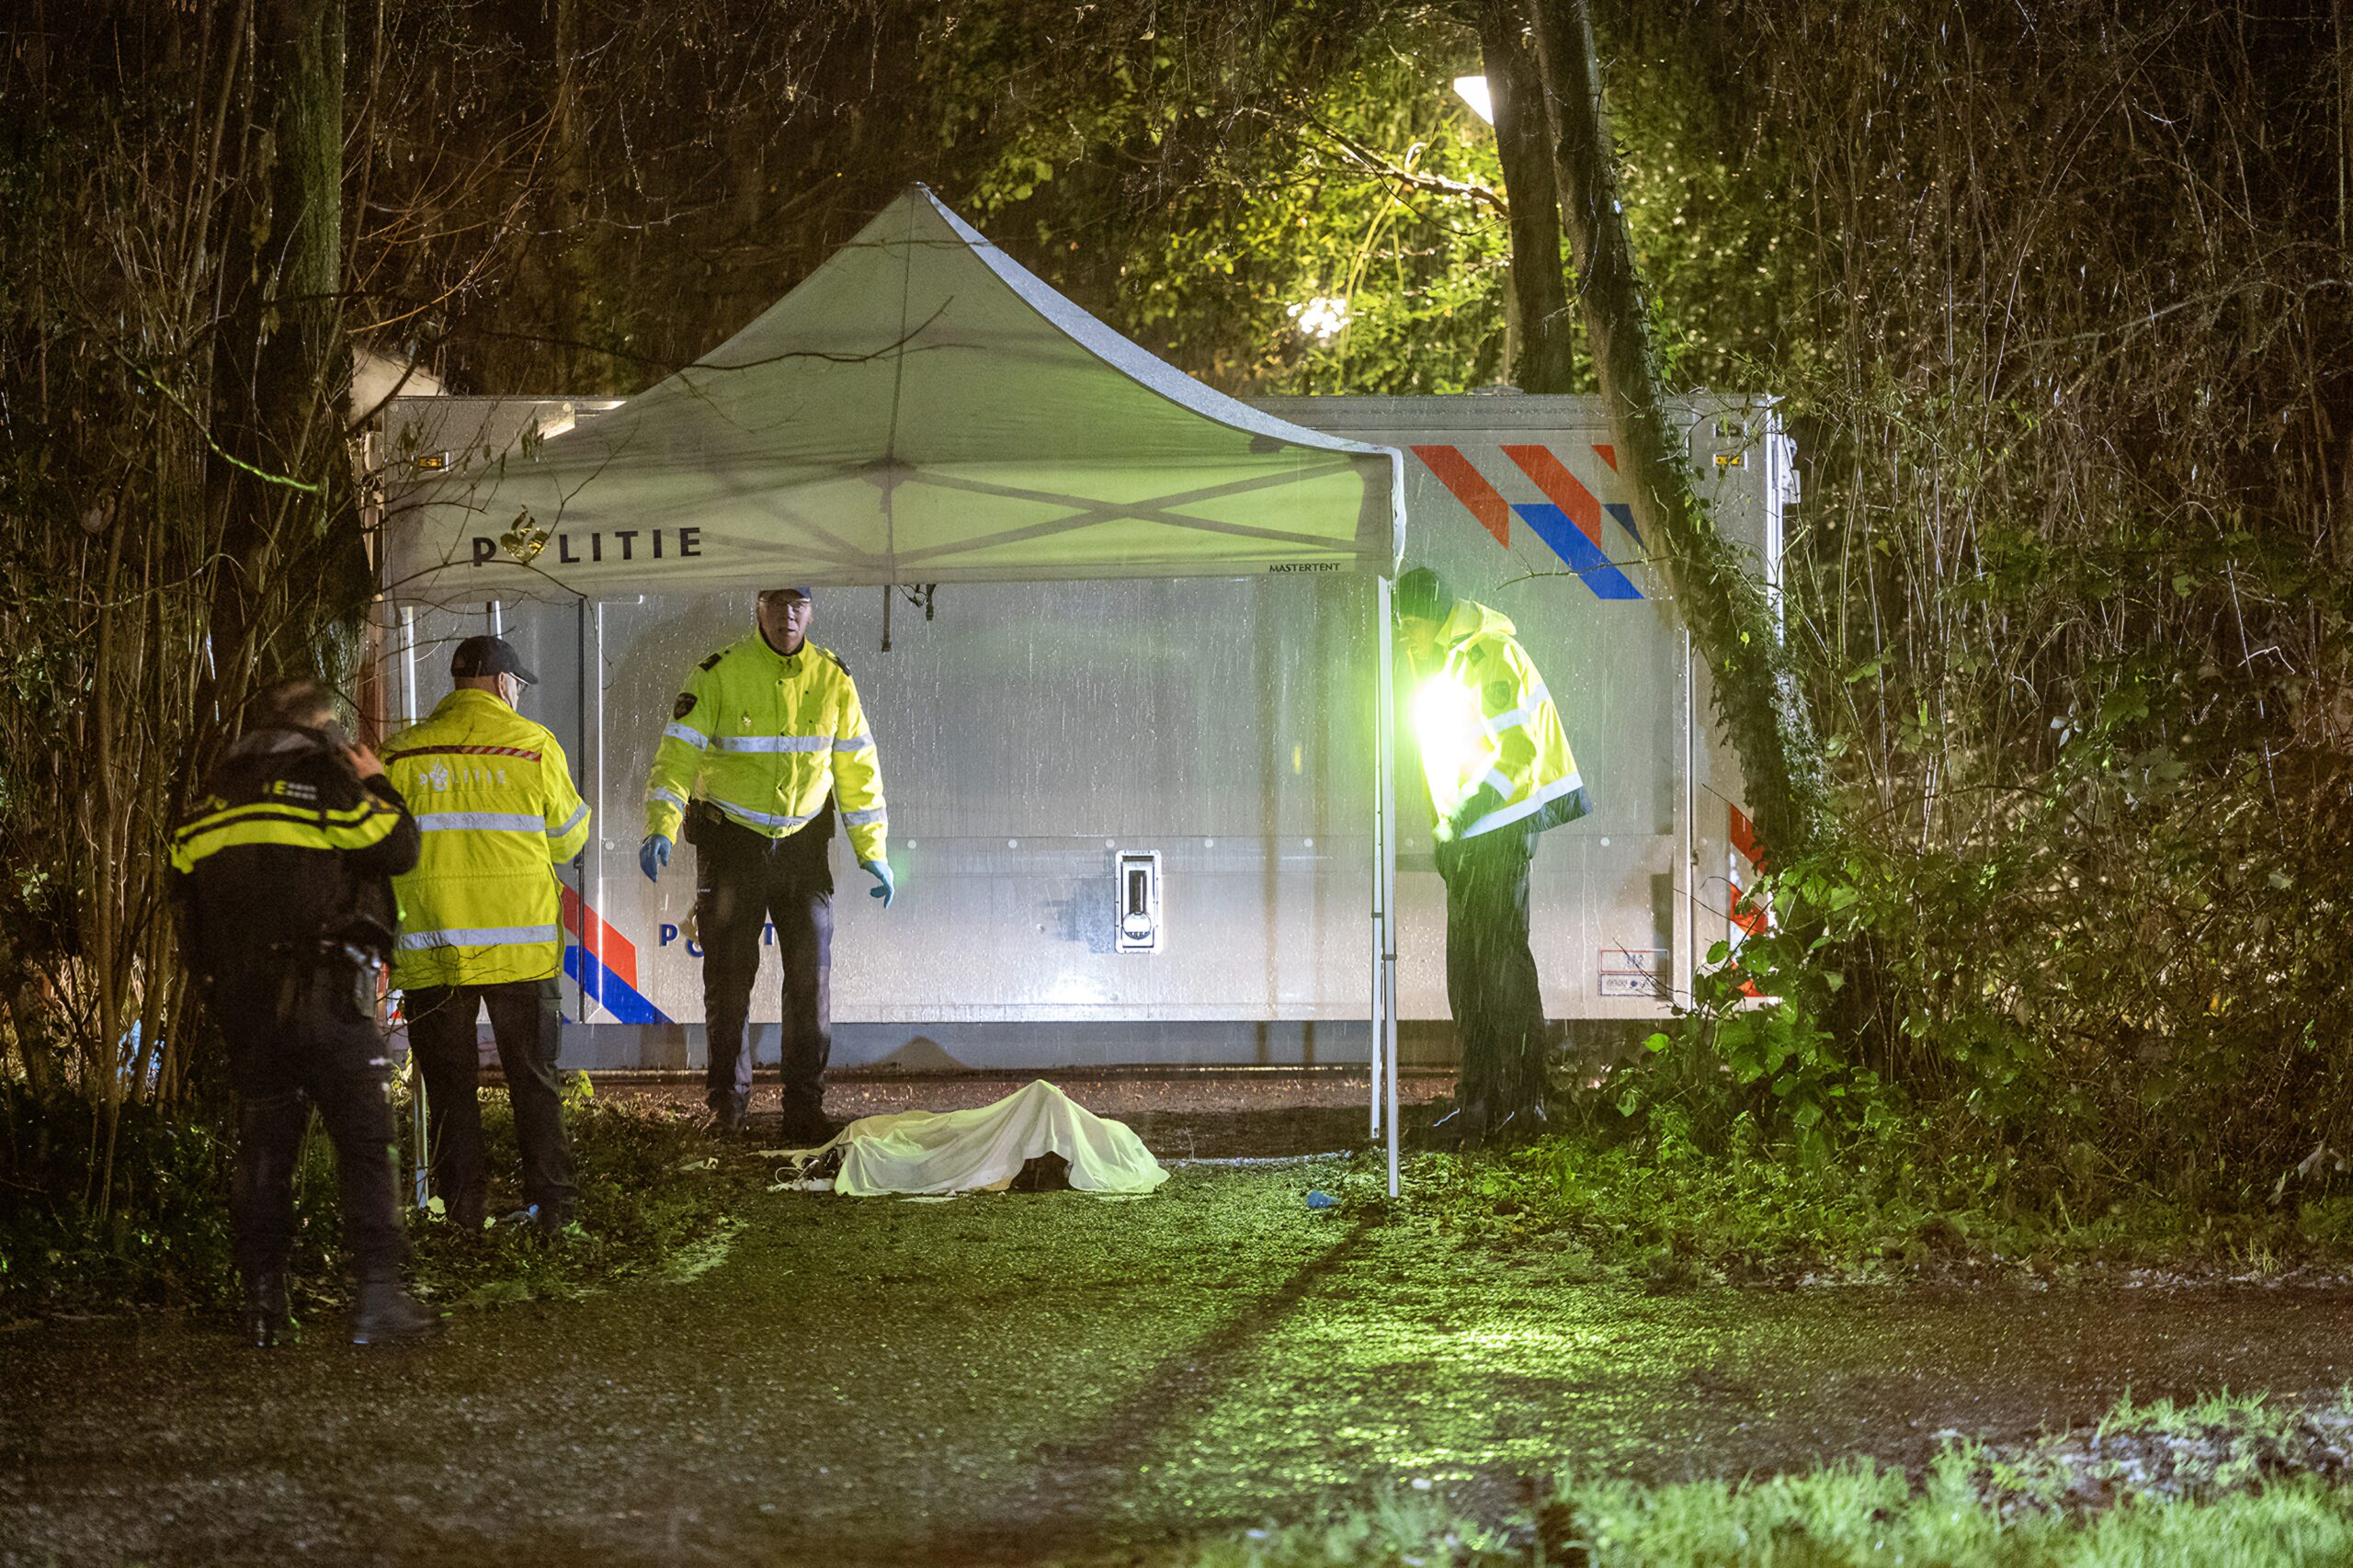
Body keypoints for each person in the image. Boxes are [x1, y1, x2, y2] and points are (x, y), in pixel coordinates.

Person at [169, 679, 438, 1347]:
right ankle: (377, 1303)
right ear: (322, 728)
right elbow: (396, 847)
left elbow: (185, 896)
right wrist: (378, 783)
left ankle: (265, 1306)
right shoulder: (326, 778)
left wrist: (215, 984)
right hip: (326, 996)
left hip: (245, 1004)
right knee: (365, 1145)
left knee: (264, 1152)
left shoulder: (211, 792)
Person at [639, 586, 892, 1142]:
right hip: (733, 847)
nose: (788, 615)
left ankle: (805, 1110)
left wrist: (872, 849)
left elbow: (856, 767)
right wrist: (661, 825)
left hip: (803, 850)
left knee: (810, 983)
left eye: (798, 603)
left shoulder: (833, 679)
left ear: (812, 610)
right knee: (728, 986)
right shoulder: (718, 674)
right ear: (758, 609)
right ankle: (727, 1109)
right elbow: (677, 756)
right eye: (777, 604)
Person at [383, 635, 591, 1236]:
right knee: (533, 1081)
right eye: (518, 686)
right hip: (520, 949)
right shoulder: (532, 747)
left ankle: (463, 1212)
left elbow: (382, 847)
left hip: (433, 950)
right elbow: (570, 839)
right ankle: (553, 1210)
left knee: (450, 1090)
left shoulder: (400, 754)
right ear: (503, 684)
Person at [1393, 566, 1589, 1145]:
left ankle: (1524, 1106)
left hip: (1498, 834)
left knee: (1500, 972)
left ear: (1436, 617)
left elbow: (1519, 752)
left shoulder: (1488, 657)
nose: (1406, 637)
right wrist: (1449, 831)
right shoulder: (1450, 660)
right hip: (1473, 838)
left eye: (1412, 626)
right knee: (1470, 976)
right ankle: (1480, 1103)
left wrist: (1465, 815)